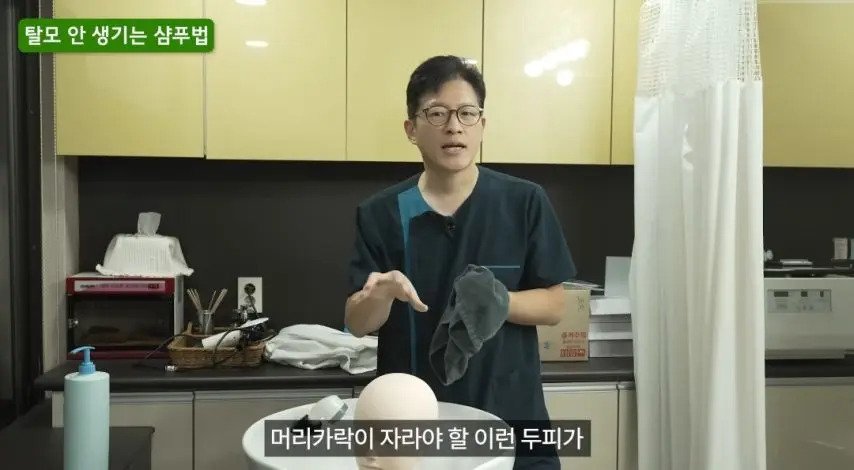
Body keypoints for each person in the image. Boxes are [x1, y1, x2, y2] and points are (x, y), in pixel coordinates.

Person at [344, 55, 576, 469]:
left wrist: (501, 301)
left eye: (467, 113)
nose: (454, 126)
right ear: (411, 129)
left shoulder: (524, 202)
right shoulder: (381, 214)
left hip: (512, 415)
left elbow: (556, 305)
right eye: (437, 114)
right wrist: (381, 294)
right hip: (416, 429)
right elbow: (358, 323)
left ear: (482, 125)